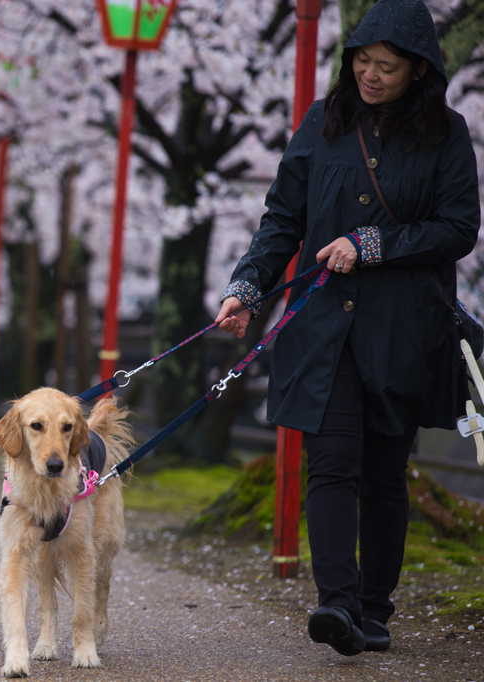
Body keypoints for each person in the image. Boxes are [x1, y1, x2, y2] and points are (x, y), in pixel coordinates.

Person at [213, 0, 480, 657]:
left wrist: (373, 243)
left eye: (387, 67)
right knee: (330, 463)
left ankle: (374, 608)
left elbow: (458, 229)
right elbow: (283, 216)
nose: (372, 76)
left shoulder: (446, 134)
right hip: (326, 329)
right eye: (362, 62)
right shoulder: (324, 121)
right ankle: (336, 603)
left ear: (419, 70)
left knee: (384, 472)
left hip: (403, 332)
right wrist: (246, 289)